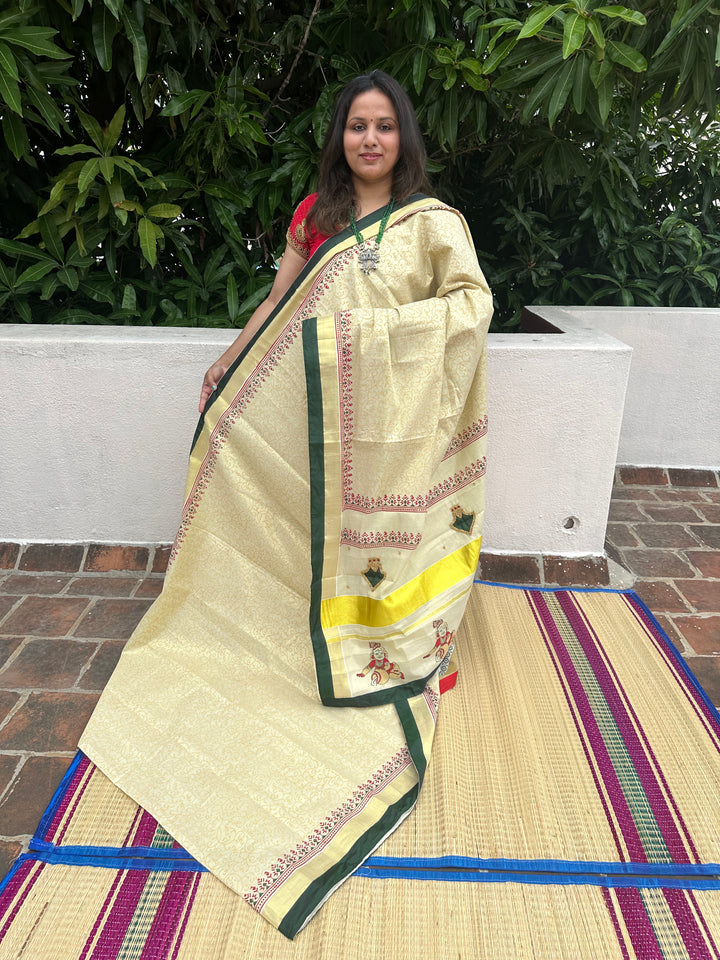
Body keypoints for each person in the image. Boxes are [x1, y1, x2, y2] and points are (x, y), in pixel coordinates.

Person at [79, 70, 493, 941]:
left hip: (388, 428)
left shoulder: (433, 225)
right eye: (356, 127)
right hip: (314, 415)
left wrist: (373, 340)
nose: (369, 140)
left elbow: (470, 306)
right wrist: (232, 359)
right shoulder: (317, 214)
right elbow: (282, 302)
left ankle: (388, 632)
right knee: (272, 501)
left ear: (402, 137)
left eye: (383, 127)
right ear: (339, 137)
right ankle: (282, 617)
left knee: (380, 540)